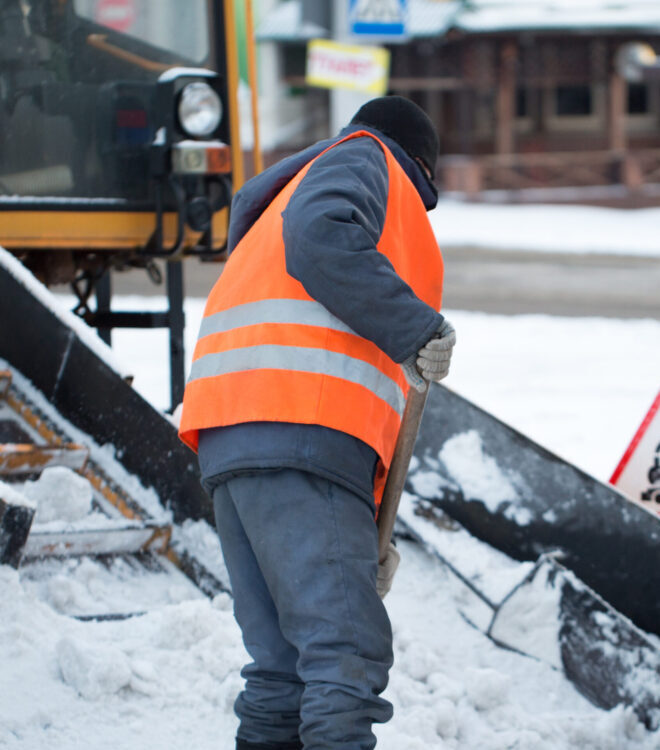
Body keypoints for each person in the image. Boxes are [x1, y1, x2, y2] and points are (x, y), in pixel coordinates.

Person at [178, 95, 456, 750]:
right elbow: (323, 234)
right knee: (343, 659)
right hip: (302, 432)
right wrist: (416, 326)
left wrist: (369, 537)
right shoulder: (368, 158)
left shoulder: (289, 190)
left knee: (281, 670)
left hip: (236, 436)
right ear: (419, 165)